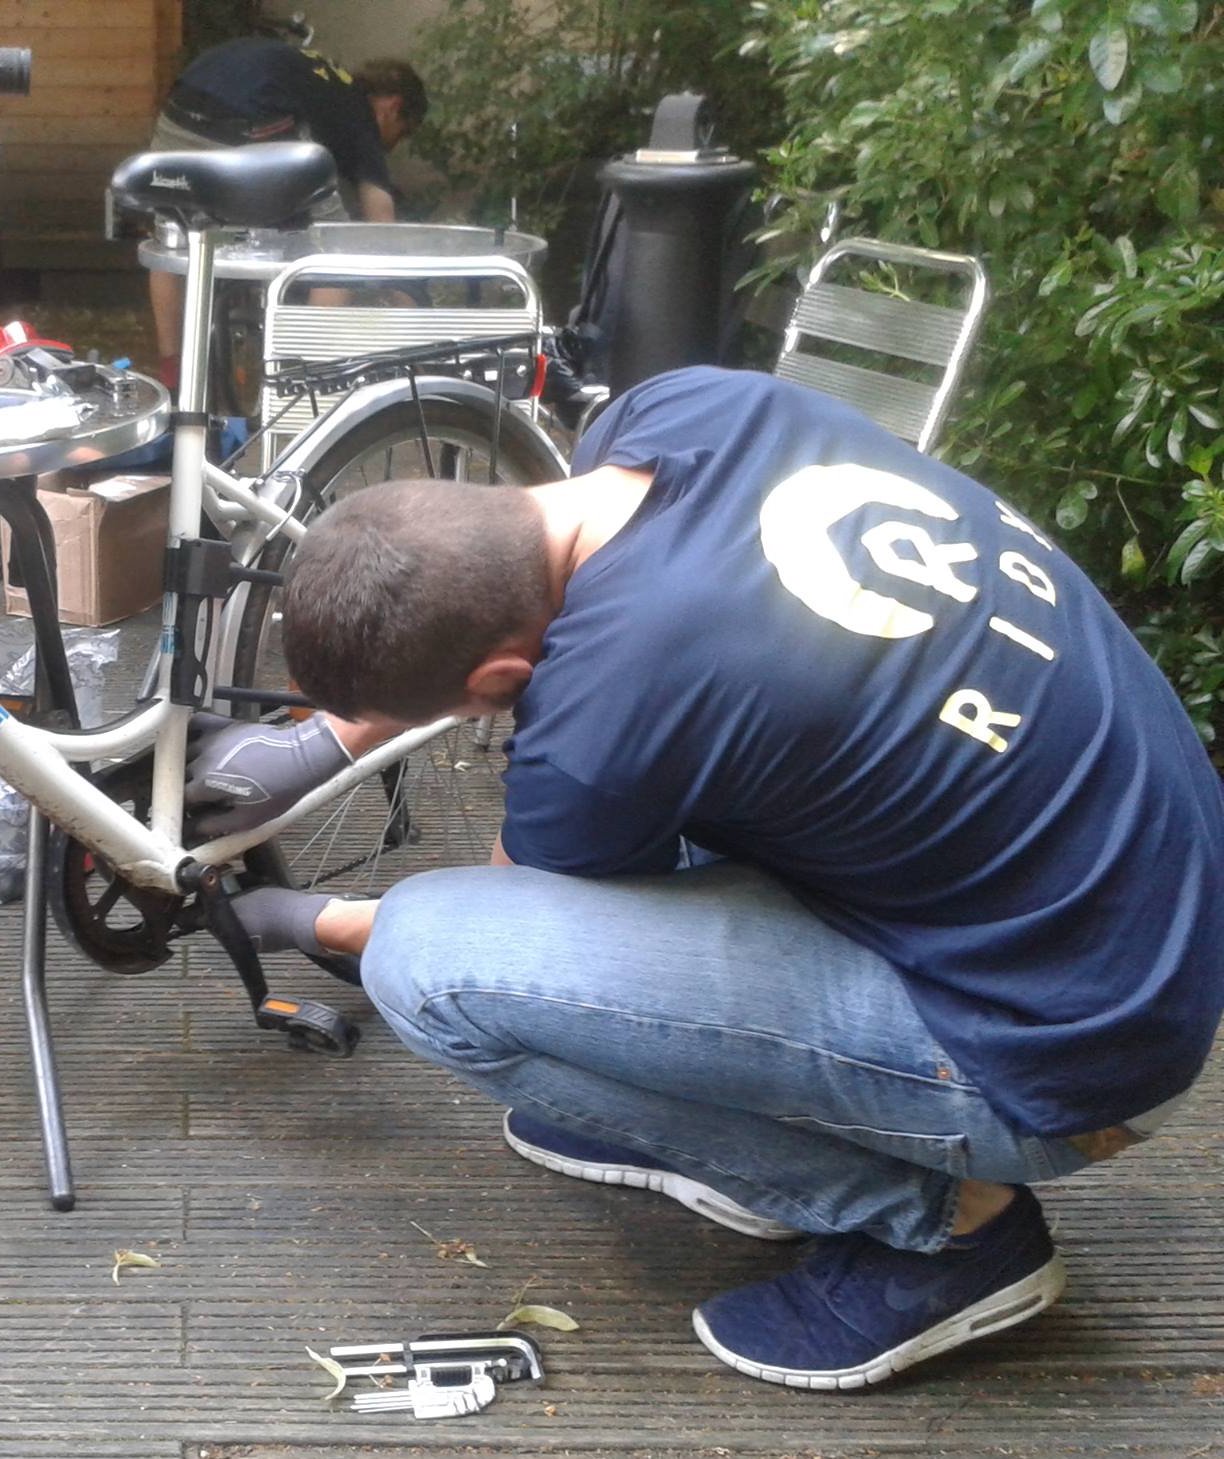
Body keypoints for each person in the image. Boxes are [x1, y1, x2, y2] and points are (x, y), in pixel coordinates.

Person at [184, 365, 1224, 1390]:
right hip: (1128, 917)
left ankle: (954, 1235)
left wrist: (297, 917)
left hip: (1064, 1063)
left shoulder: (614, 700)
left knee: (429, 965)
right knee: (638, 848)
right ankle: (746, 1123)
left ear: (496, 684)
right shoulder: (682, 411)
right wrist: (318, 741)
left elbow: (512, 923)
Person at [142, 38, 428, 389]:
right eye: (403, 133)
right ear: (392, 107)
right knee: (337, 252)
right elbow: (380, 218)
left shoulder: (321, 81)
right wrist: (404, 292)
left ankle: (172, 371)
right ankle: (300, 377)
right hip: (250, 121)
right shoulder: (357, 112)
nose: (393, 145)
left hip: (178, 112)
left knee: (171, 238)